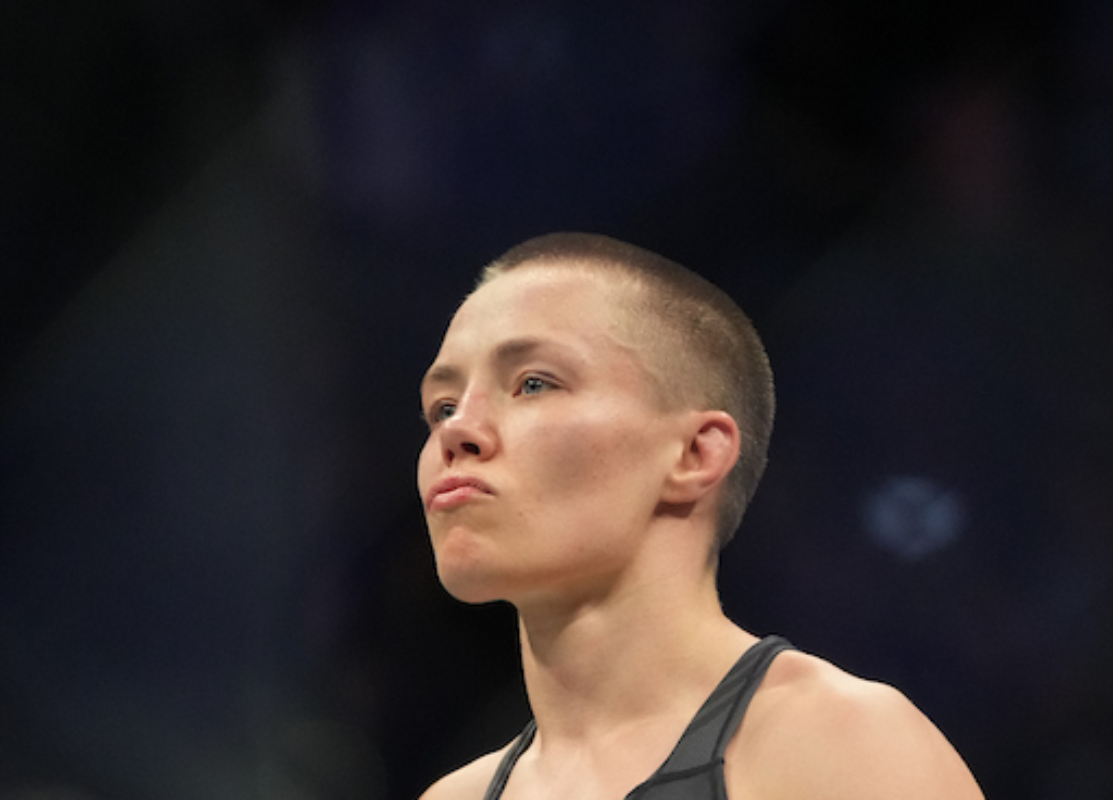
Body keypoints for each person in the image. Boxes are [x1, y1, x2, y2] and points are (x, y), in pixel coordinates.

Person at [416, 233, 985, 800]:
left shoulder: (840, 745)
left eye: (534, 384)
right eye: (443, 407)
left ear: (695, 454)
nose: (457, 430)